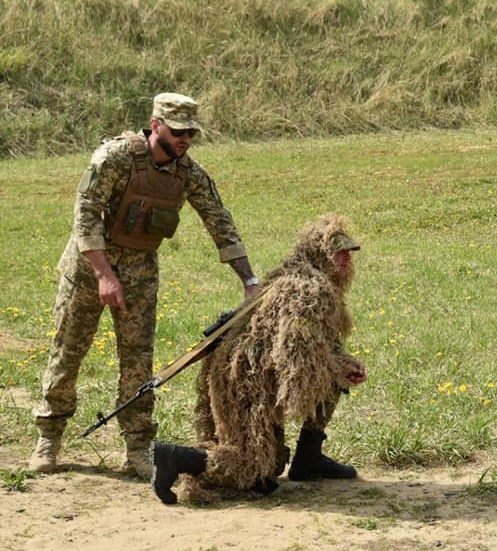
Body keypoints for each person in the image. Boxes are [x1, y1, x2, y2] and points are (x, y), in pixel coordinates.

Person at [29, 93, 260, 479]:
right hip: (89, 269)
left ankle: (137, 446)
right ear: (156, 126)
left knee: (137, 362)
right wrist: (103, 274)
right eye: (178, 131)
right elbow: (84, 216)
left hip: (139, 272)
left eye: (192, 133)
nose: (186, 139)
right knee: (68, 354)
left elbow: (220, 221)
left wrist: (249, 280)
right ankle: (49, 437)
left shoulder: (188, 173)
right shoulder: (114, 158)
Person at [151, 213, 367, 505]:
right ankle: (176, 459)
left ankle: (309, 457)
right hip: (244, 384)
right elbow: (298, 356)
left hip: (252, 376)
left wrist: (344, 363)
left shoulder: (306, 283)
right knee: (252, 467)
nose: (345, 259)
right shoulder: (310, 291)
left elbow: (320, 345)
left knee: (271, 469)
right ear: (319, 253)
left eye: (348, 253)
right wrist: (339, 366)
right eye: (338, 252)